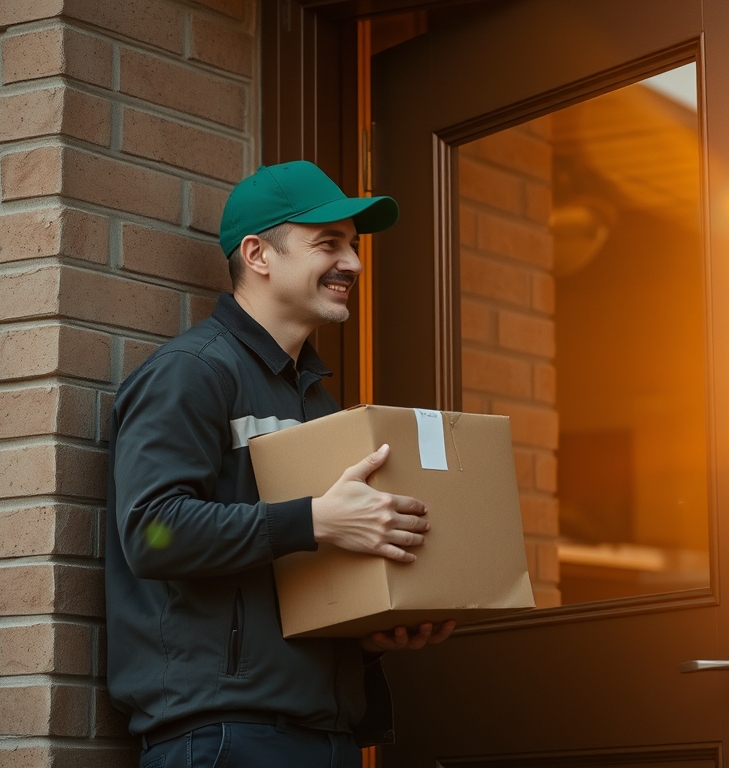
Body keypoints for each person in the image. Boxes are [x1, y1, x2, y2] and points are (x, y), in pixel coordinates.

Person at [104, 160, 455, 768]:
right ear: (259, 255)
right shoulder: (193, 374)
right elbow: (150, 531)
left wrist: (367, 637)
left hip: (327, 736)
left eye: (352, 244)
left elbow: (293, 579)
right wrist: (314, 519)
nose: (353, 262)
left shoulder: (318, 402)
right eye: (328, 243)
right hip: (222, 737)